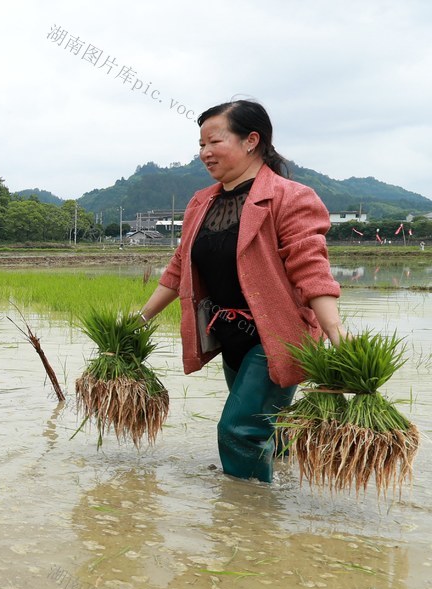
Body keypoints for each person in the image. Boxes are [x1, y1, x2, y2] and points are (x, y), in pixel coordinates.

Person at [138, 99, 346, 483]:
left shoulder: (290, 197)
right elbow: (180, 266)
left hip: (279, 335)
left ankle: (250, 521)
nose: (204, 153)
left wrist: (337, 335)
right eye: (200, 145)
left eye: (214, 142)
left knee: (238, 431)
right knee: (262, 420)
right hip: (230, 335)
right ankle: (284, 475)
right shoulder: (202, 203)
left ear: (252, 140)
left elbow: (311, 268)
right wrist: (141, 318)